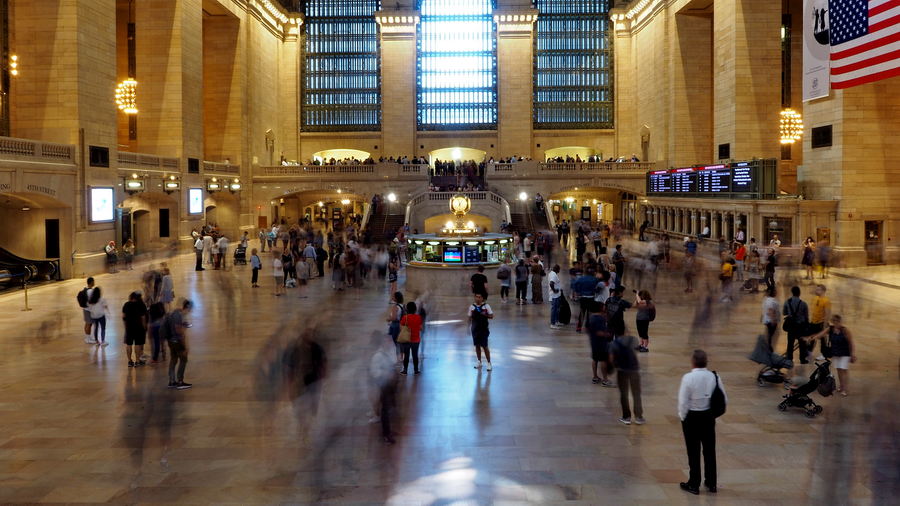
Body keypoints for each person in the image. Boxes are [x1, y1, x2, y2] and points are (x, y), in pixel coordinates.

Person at [678, 349, 726, 495]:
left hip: (692, 417)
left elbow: (683, 401)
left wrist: (683, 417)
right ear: (706, 362)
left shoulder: (688, 378)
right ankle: (711, 483)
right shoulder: (714, 376)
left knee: (693, 451)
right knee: (709, 450)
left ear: (693, 362)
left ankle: (694, 483)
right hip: (708, 416)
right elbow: (723, 398)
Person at [806, 315, 855, 396]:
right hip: (836, 353)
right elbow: (821, 334)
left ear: (840, 322)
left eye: (838, 321)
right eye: (835, 321)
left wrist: (852, 354)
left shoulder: (845, 330)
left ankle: (845, 389)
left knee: (844, 370)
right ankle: (841, 386)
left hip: (845, 353)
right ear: (833, 322)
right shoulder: (831, 329)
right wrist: (812, 338)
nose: (837, 323)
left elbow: (851, 342)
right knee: (839, 370)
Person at [610, 332, 643, 425]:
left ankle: (626, 417)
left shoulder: (614, 343)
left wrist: (614, 367)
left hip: (622, 371)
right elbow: (636, 350)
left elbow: (611, 358)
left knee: (624, 394)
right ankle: (639, 417)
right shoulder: (634, 339)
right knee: (636, 393)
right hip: (634, 370)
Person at [162, 299, 193, 389]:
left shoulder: (173, 313)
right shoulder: (179, 315)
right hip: (177, 341)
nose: (190, 311)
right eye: (189, 309)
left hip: (170, 341)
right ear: (187, 307)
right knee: (183, 359)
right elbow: (179, 331)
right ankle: (180, 381)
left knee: (174, 359)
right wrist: (185, 346)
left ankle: (172, 381)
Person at [586, 301, 614, 386]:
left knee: (595, 359)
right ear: (600, 308)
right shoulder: (599, 319)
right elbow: (599, 332)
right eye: (604, 306)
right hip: (601, 343)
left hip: (594, 342)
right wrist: (607, 334)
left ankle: (595, 377)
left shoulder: (591, 317)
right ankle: (605, 380)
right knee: (603, 360)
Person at [783, 286, 810, 364]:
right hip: (800, 326)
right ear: (799, 293)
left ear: (792, 293)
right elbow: (806, 316)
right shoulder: (803, 304)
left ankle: (789, 358)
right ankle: (802, 359)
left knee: (790, 342)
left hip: (791, 326)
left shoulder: (787, 302)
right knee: (802, 344)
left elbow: (784, 313)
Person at [122, 291, 148, 368]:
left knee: (129, 344)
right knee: (137, 344)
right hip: (139, 327)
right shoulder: (141, 305)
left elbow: (123, 317)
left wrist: (125, 327)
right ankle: (137, 361)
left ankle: (130, 361)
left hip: (129, 327)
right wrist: (144, 327)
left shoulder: (126, 304)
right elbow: (143, 317)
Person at [468, 293, 494, 370]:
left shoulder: (486, 306)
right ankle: (479, 361)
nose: (478, 299)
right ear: (474, 297)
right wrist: (468, 327)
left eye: (480, 297)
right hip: (475, 329)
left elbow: (491, 316)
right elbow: (469, 317)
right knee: (477, 346)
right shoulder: (472, 307)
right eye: (476, 297)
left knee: (485, 346)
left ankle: (489, 363)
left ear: (482, 298)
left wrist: (485, 314)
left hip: (484, 329)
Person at [807, 284, 831, 361]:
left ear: (823, 291)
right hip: (813, 322)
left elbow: (827, 313)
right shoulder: (815, 298)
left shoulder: (826, 301)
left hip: (821, 322)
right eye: (816, 289)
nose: (816, 291)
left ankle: (823, 354)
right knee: (812, 338)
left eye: (818, 290)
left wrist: (824, 325)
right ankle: (809, 352)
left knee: (823, 339)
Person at [399, 301, 423, 375]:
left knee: (406, 355)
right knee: (415, 355)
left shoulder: (405, 318)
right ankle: (416, 370)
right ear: (415, 309)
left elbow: (401, 328)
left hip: (407, 340)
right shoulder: (418, 317)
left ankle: (405, 370)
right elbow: (421, 328)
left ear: (407, 309)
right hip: (416, 340)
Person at [573, 268, 599, 332]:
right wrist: (595, 291)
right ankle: (588, 327)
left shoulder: (582, 278)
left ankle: (579, 327)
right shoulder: (595, 279)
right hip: (591, 297)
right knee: (589, 313)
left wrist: (578, 291)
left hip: (583, 297)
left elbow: (575, 283)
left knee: (582, 312)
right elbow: (597, 287)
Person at [78, 277, 97, 344]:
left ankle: (87, 337)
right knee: (89, 324)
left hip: (85, 309)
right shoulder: (91, 291)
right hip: (89, 310)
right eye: (93, 281)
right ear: (91, 282)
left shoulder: (86, 290)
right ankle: (88, 339)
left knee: (87, 324)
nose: (94, 282)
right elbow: (94, 301)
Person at [387, 292, 405, 362]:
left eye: (393, 296)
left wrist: (388, 319)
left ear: (396, 298)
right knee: (400, 343)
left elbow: (394, 318)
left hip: (395, 326)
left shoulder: (395, 307)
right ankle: (402, 357)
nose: (392, 297)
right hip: (401, 325)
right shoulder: (402, 306)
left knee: (397, 343)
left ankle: (398, 360)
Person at [548, 264, 562, 329]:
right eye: (559, 269)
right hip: (554, 296)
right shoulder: (553, 275)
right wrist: (554, 290)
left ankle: (556, 321)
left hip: (556, 295)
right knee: (554, 309)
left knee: (556, 309)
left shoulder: (552, 273)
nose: (559, 270)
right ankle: (552, 324)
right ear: (557, 269)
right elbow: (551, 283)